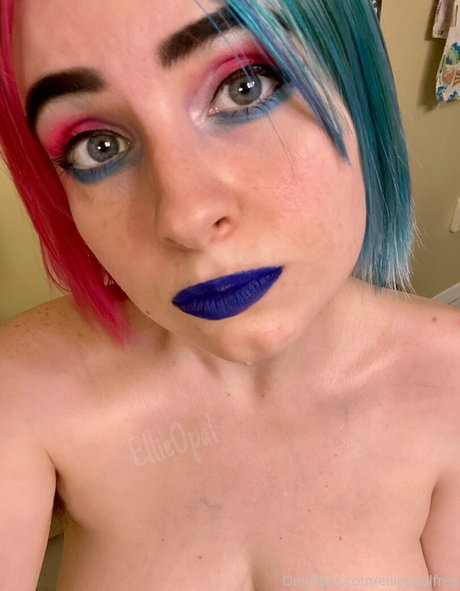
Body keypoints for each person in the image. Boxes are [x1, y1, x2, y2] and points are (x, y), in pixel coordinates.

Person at [1, 0, 459, 589]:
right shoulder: (23, 390)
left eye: (245, 86)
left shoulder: (449, 386)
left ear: (354, 74)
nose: (185, 218)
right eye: (98, 146)